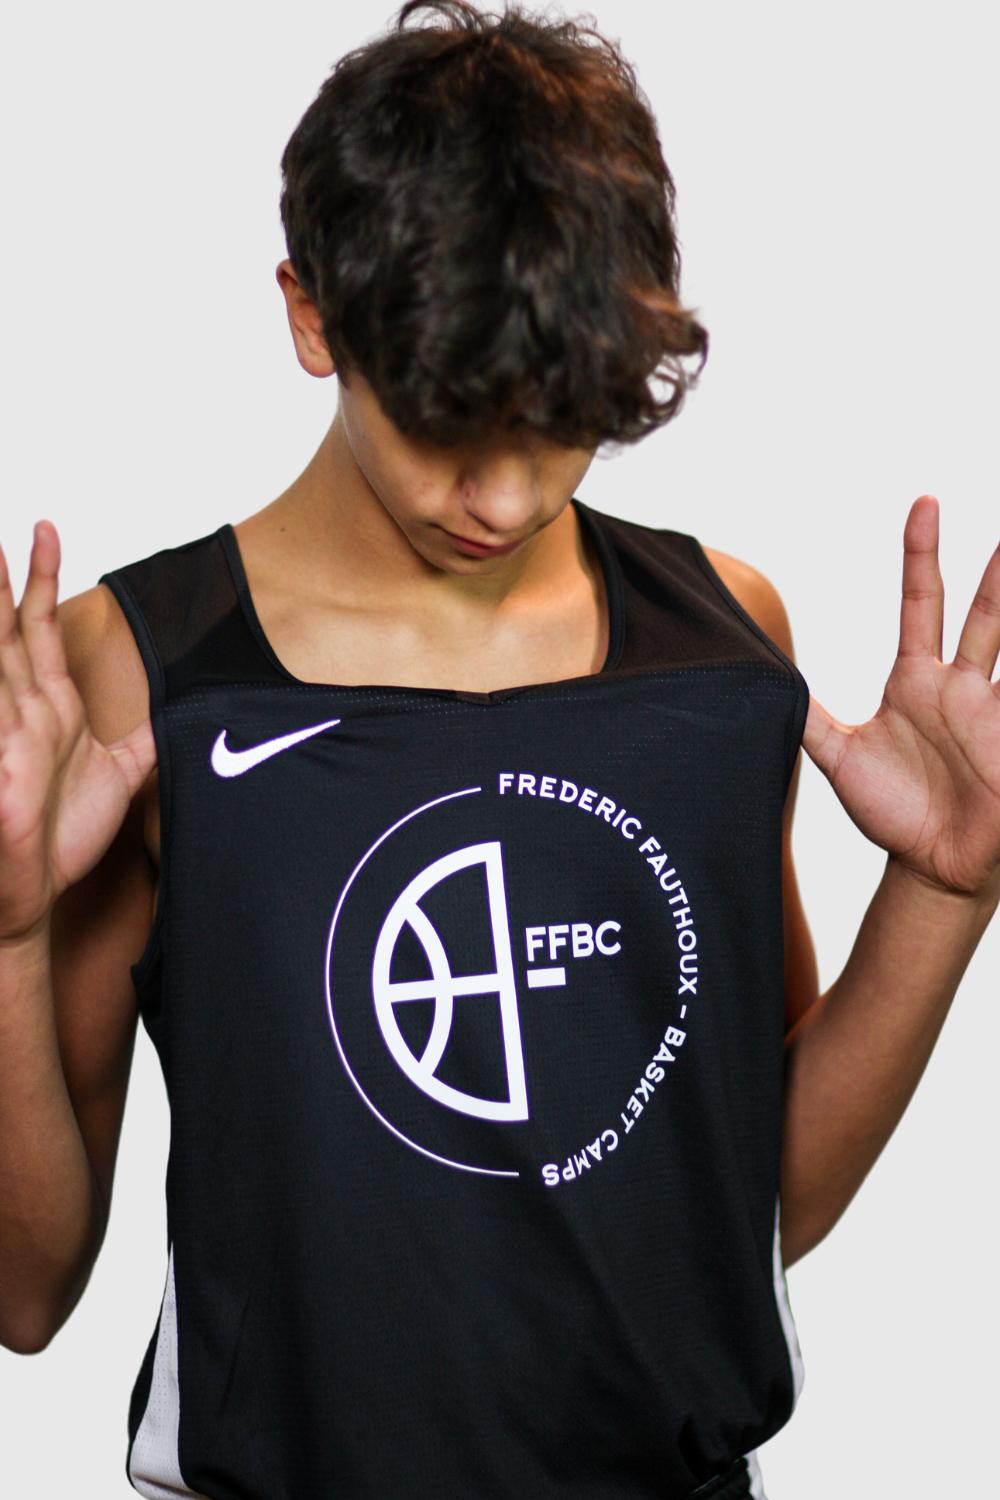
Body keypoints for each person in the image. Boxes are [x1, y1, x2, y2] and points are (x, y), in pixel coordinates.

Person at [1, 1, 998, 1496]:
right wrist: (8, 934)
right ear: (311, 315)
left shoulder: (722, 638)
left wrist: (943, 892)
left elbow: (750, 1201)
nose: (506, 495)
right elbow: (26, 1291)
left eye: (562, 422)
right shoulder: (135, 680)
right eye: (447, 424)